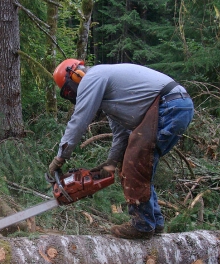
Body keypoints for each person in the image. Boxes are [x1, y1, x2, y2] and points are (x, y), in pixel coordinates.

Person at [48, 59, 194, 239]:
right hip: (177, 105)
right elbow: (121, 134)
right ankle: (154, 222)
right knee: (142, 165)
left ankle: (143, 224)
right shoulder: (112, 97)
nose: (74, 95)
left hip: (167, 106)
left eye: (71, 90)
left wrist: (60, 157)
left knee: (135, 164)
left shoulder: (92, 77)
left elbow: (79, 120)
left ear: (76, 76)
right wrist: (110, 163)